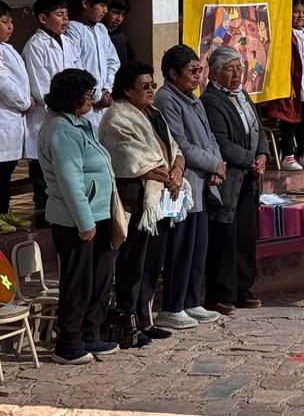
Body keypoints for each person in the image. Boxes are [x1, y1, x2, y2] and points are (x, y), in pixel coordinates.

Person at [99, 61, 185, 346]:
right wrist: (168, 175)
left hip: (160, 198)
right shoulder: (117, 118)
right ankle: (128, 323)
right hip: (136, 200)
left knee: (152, 264)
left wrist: (177, 172)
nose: (151, 90)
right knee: (132, 264)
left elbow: (174, 149)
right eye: (144, 86)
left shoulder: (153, 112)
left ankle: (145, 319)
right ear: (127, 90)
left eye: (152, 85)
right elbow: (132, 160)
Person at [38, 68, 119, 364]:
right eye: (86, 96)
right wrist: (85, 223)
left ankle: (90, 333)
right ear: (71, 98)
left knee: (99, 278)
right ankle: (69, 341)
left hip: (97, 213)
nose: (91, 100)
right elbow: (70, 180)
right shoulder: (59, 129)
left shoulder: (79, 124)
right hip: (75, 220)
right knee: (78, 282)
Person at [154, 45, 225, 329]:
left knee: (198, 248)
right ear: (173, 73)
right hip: (183, 184)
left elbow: (209, 137)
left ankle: (192, 300)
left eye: (200, 70)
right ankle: (173, 305)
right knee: (180, 249)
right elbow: (181, 144)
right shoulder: (166, 99)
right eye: (192, 71)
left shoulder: (193, 99)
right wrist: (212, 164)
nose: (198, 76)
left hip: (203, 182)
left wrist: (218, 163)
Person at [201, 46, 270, 313]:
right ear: (215, 73)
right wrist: (250, 160)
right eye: (230, 69)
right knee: (224, 240)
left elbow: (258, 128)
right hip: (229, 180)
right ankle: (221, 293)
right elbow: (221, 141)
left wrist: (263, 153)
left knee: (245, 236)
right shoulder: (211, 101)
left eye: (239, 68)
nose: (237, 74)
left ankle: (243, 289)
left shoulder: (243, 95)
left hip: (249, 179)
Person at [23, 0, 80, 227]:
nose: (65, 19)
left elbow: (77, 71)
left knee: (63, 161)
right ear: (43, 18)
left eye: (67, 14)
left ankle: (64, 204)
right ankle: (42, 206)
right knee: (42, 163)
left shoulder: (68, 41)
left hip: (69, 111)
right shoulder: (35, 46)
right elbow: (40, 85)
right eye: (59, 15)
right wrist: (62, 105)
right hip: (47, 115)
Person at [264, 0, 304, 170]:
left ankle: (303, 153)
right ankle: (288, 155)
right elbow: (282, 60)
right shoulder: (286, 34)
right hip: (293, 84)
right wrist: (286, 82)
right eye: (296, 11)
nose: (300, 15)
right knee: (290, 121)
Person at [66, 0, 121, 131]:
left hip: (104, 99)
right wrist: (95, 94)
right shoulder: (73, 29)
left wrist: (107, 89)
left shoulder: (101, 29)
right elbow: (75, 65)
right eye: (101, 5)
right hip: (86, 100)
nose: (105, 10)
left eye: (106, 6)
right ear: (85, 3)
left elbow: (113, 61)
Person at [0, 0, 34, 231]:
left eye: (11, 21)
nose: (11, 27)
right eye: (4, 22)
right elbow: (4, 83)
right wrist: (23, 103)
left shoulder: (7, 49)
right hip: (5, 117)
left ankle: (4, 210)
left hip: (12, 121)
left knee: (7, 171)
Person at [103, 0, 136, 66]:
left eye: (123, 15)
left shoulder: (120, 35)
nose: (119, 18)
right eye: (115, 12)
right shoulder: (98, 34)